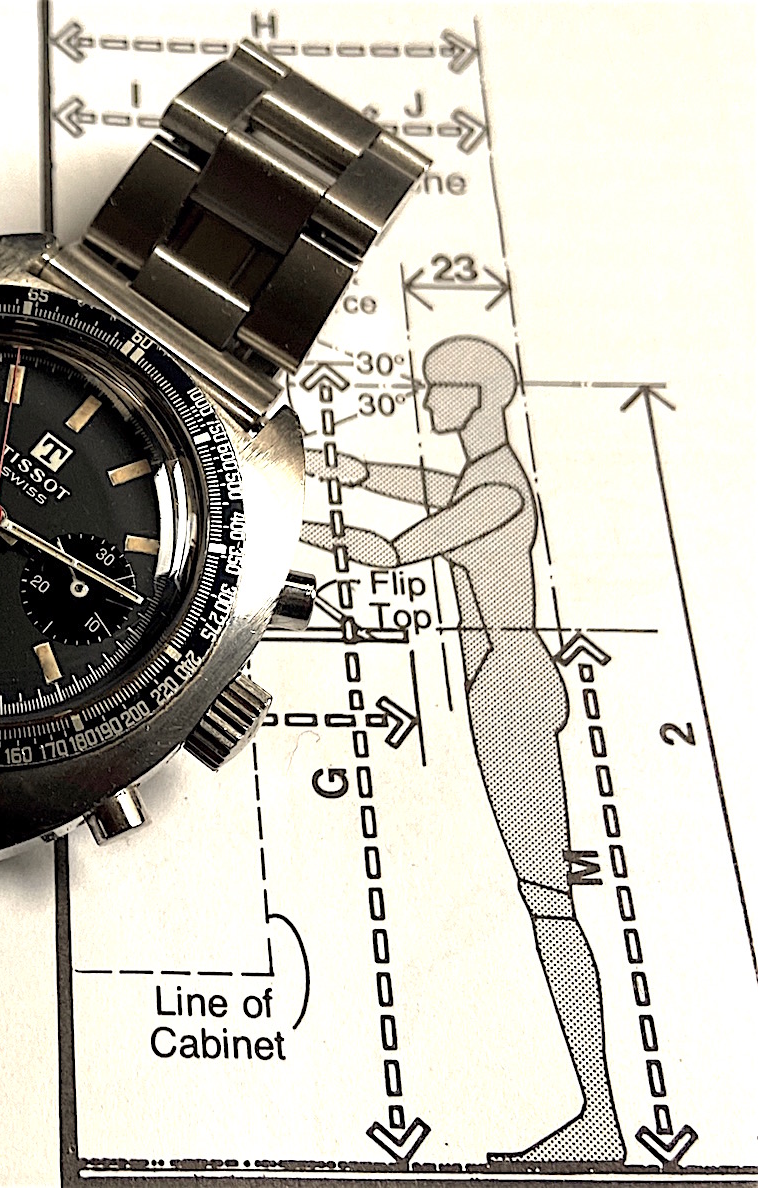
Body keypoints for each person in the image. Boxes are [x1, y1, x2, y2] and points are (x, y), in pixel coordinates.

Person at [303, 336, 624, 1164]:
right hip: (501, 682)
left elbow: (393, 550)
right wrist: (347, 471)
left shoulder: (498, 491)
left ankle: (599, 1120)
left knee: (548, 903)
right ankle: (594, 1112)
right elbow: (426, 487)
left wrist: (283, 525)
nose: (428, 401)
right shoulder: (489, 476)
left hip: (512, 687)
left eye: (441, 388)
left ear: (479, 396)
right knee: (539, 900)